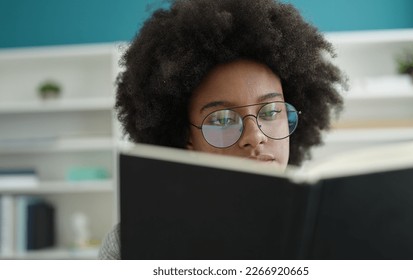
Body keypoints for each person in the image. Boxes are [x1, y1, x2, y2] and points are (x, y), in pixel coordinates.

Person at [98, 0, 345, 259]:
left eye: (271, 111)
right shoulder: (133, 245)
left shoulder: (332, 232)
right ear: (186, 136)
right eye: (222, 119)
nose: (255, 136)